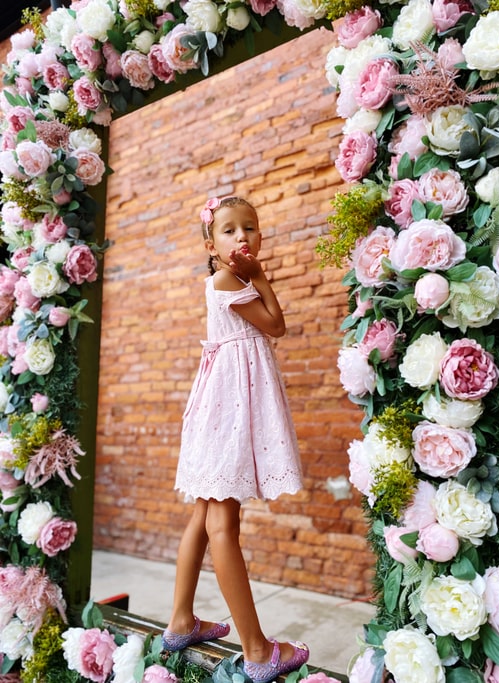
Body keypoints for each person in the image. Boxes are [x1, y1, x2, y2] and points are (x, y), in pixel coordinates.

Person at [162, 196, 309, 683]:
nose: (241, 236)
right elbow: (278, 326)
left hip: (219, 409)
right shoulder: (230, 281)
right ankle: (257, 649)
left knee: (205, 516)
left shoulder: (228, 280)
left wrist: (256, 276)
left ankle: (182, 620)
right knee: (223, 523)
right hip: (227, 415)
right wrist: (262, 276)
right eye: (228, 230)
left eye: (250, 227)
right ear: (211, 245)